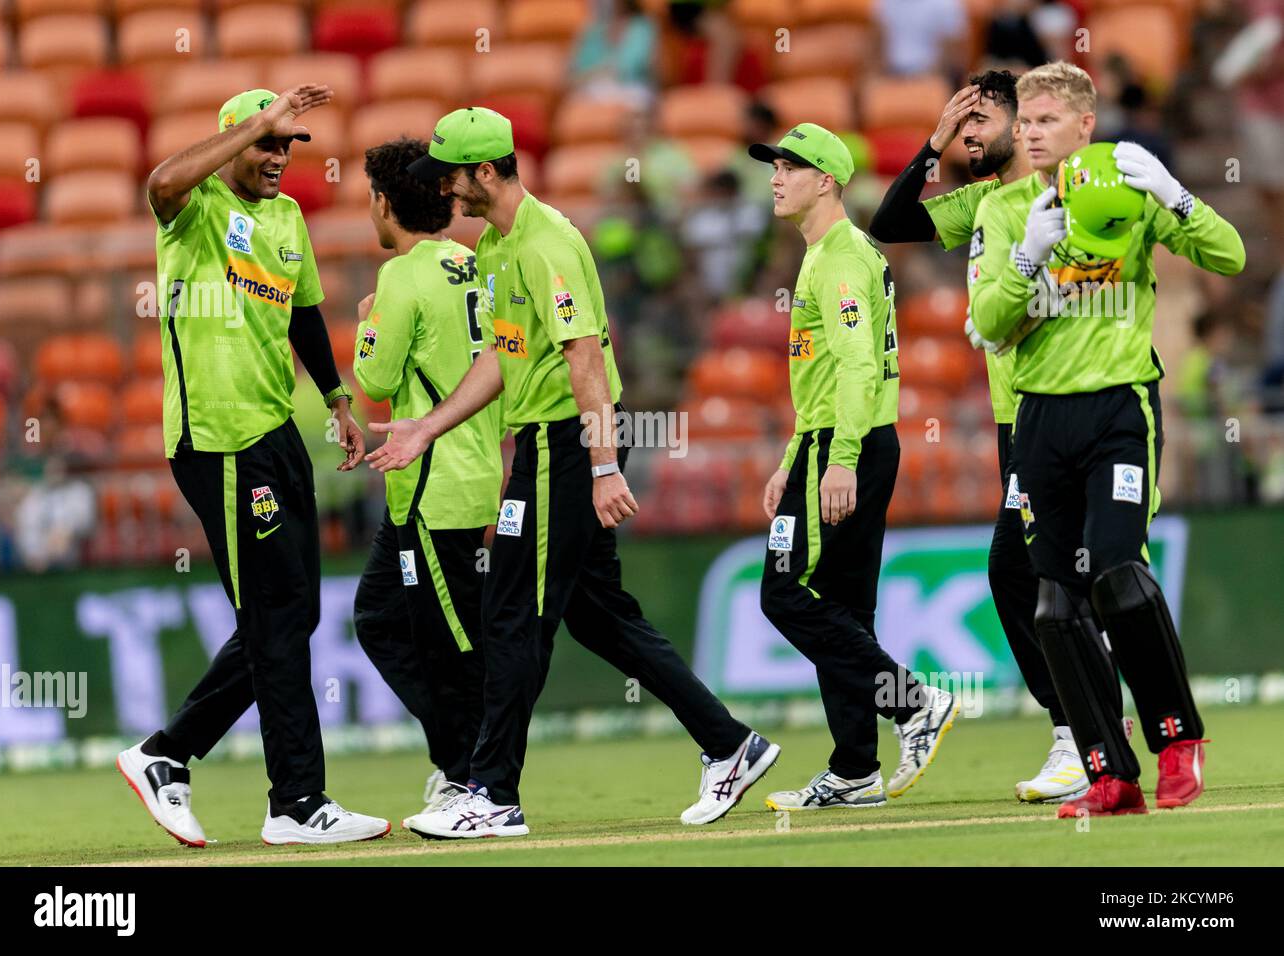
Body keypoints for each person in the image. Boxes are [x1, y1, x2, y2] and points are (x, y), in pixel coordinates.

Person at [368, 107, 779, 837]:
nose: (444, 193)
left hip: (565, 446)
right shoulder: (498, 245)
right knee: (602, 617)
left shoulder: (545, 243)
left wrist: (601, 465)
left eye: (451, 178)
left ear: (485, 173)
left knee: (511, 615)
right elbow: (501, 357)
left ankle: (492, 794)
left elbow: (585, 356)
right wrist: (427, 428)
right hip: (543, 444)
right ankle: (730, 744)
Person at [968, 62, 1245, 817]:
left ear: (1085, 125)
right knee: (1055, 604)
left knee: (1118, 575)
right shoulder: (1004, 210)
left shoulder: (1124, 184)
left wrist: (1174, 193)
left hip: (1118, 406)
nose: (1029, 133)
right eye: (1023, 122)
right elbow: (990, 327)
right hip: (1039, 420)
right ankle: (1109, 775)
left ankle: (1177, 737)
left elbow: (1230, 256)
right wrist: (1027, 256)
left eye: (1046, 121)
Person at [117, 86, 390, 847]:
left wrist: (335, 394)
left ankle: (166, 754)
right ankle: (297, 804)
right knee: (275, 617)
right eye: (266, 143)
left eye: (286, 145)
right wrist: (244, 133)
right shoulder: (196, 207)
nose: (277, 159)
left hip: (274, 433)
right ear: (233, 144)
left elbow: (303, 310)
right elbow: (159, 184)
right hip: (218, 440)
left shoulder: (288, 219)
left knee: (293, 613)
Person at [869, 71, 1092, 804]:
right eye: (958, 125)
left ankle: (1078, 732)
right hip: (1011, 418)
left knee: (1020, 571)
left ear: (1020, 119)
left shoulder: (1064, 195)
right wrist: (929, 146)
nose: (968, 135)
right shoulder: (982, 202)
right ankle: (1096, 731)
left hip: (1055, 405)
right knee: (1046, 574)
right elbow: (890, 222)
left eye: (978, 119)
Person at [746, 123, 957, 812]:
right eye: (773, 167)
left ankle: (914, 702)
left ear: (826, 180)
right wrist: (793, 456)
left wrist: (834, 460)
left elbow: (859, 365)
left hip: (847, 443)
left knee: (782, 594)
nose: (775, 178)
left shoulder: (836, 257)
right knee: (842, 609)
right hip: (853, 440)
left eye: (789, 167)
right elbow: (827, 371)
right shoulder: (844, 252)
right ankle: (854, 768)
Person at [349, 138, 504, 828]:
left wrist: (364, 328)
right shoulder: (476, 262)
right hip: (466, 468)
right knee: (382, 619)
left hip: (433, 485)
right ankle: (462, 763)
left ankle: (473, 778)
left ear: (385, 204)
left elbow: (374, 382)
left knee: (451, 644)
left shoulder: (402, 278)